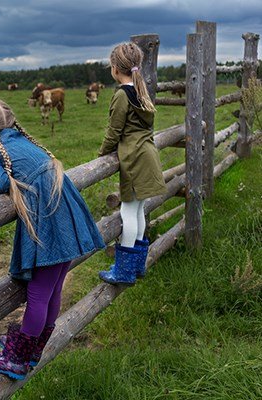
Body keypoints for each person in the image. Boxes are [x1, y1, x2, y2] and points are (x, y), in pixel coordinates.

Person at [0, 99, 105, 380]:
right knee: (53, 289)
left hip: (48, 222)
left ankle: (17, 358)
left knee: (38, 295)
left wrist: (18, 183)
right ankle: (32, 348)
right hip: (67, 213)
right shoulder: (21, 139)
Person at [97, 42, 167, 285]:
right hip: (147, 153)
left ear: (115, 69)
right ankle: (137, 266)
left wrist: (102, 153)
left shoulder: (121, 94)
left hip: (135, 158)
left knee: (128, 212)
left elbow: (114, 131)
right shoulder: (140, 90)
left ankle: (123, 271)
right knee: (138, 211)